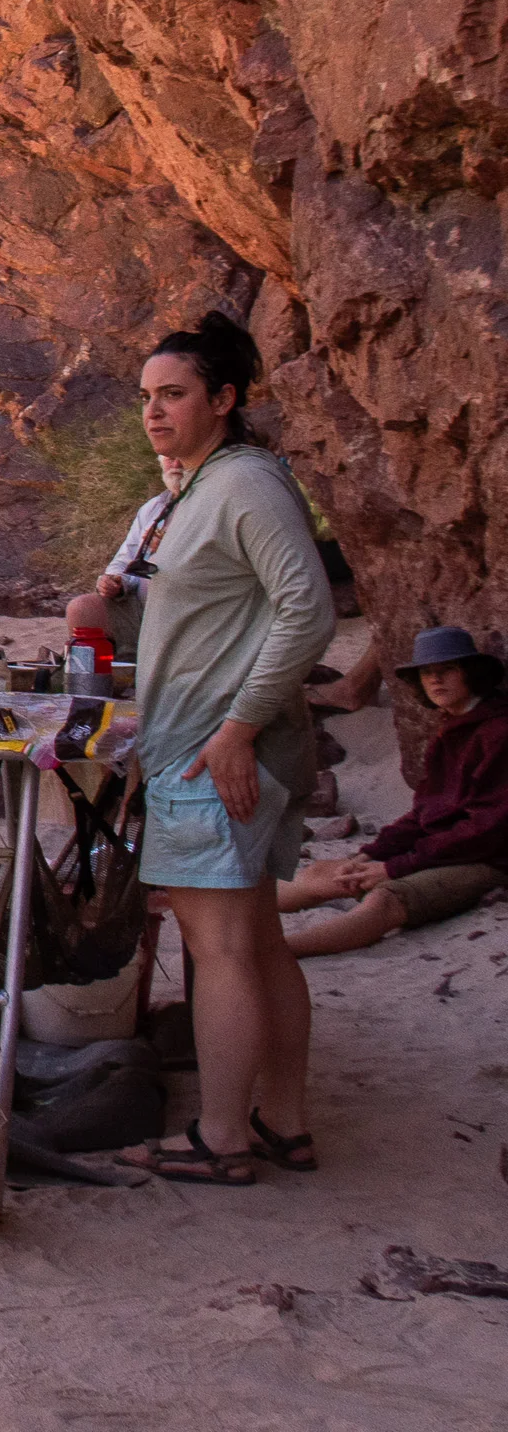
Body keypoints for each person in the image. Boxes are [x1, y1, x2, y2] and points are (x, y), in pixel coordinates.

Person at [106, 314, 334, 1186]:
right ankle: (283, 1122)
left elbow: (307, 611)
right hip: (217, 743)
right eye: (146, 399)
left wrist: (237, 726)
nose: (154, 414)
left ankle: (224, 1136)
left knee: (222, 947)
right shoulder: (203, 487)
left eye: (174, 396)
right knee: (260, 940)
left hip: (221, 754)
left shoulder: (243, 484)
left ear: (225, 400)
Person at [277, 627, 507, 957]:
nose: (435, 680)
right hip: (442, 848)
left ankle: (277, 954)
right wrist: (370, 854)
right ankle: (208, 908)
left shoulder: (498, 732)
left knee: (383, 901)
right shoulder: (451, 727)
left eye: (447, 670)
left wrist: (395, 867)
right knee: (326, 873)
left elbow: (487, 831)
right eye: (427, 673)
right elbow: (424, 813)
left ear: (471, 673)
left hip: (488, 859)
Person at [67, 454, 185, 651]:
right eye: (169, 458)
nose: (176, 464)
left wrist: (169, 549)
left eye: (181, 457)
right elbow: (125, 560)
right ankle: (102, 677)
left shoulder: (209, 506)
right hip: (142, 607)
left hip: (184, 609)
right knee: (82, 608)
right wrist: (115, 582)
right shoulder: (153, 508)